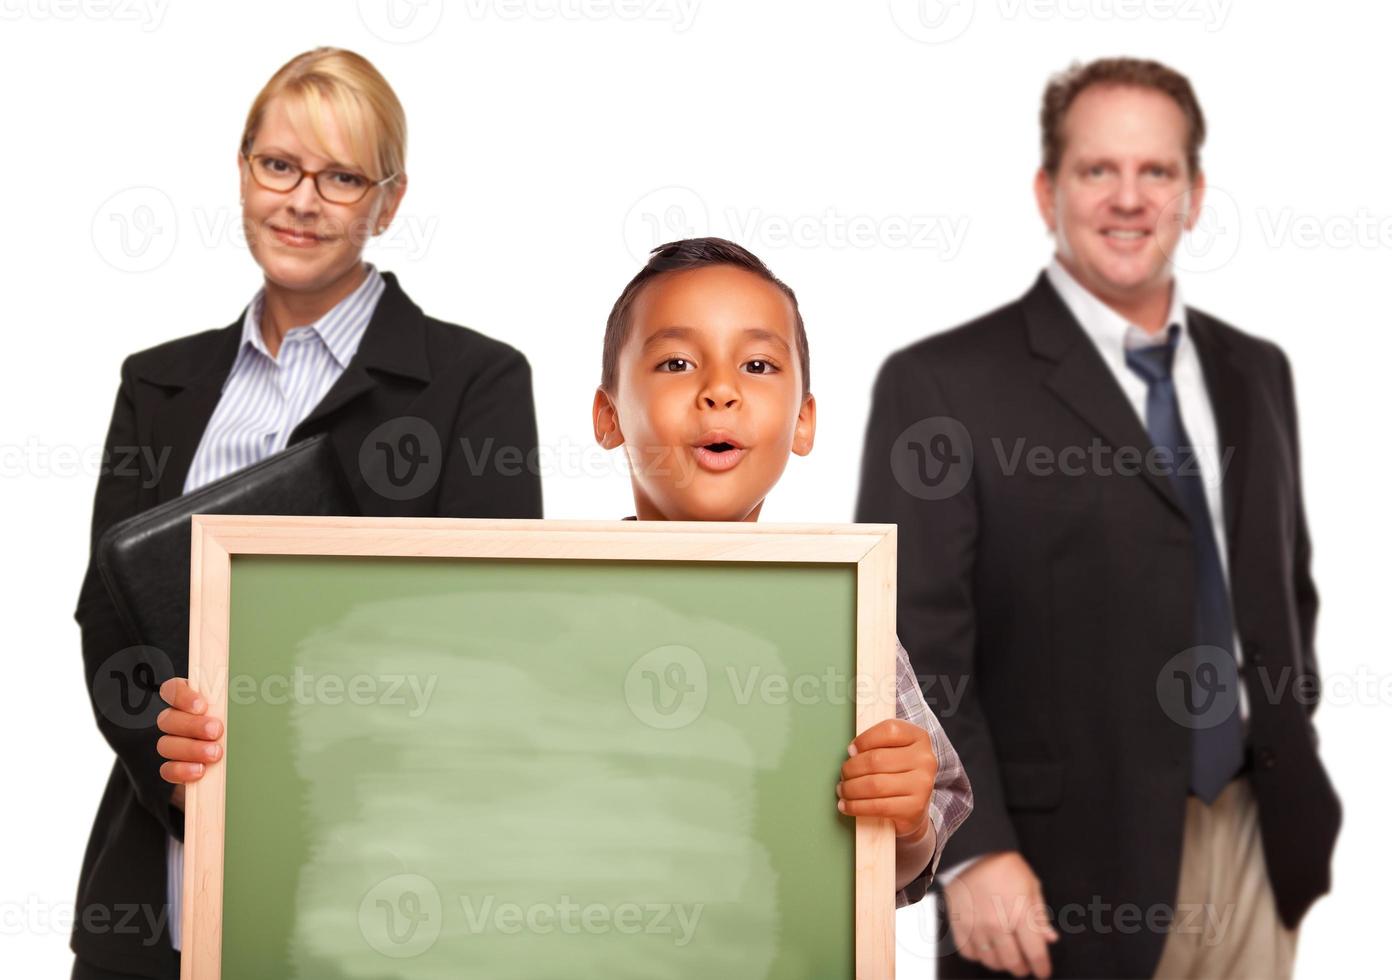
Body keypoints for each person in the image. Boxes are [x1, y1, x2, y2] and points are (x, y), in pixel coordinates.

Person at [158, 235, 975, 914]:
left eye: (757, 368)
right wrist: (232, 745)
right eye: (677, 365)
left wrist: (903, 821)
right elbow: (383, 778)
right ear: (608, 415)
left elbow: (905, 849)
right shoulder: (525, 609)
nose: (720, 393)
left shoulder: (847, 621)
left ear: (803, 422)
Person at [856, 58, 1340, 978]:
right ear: (1047, 191)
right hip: (1051, 872)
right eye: (1097, 170)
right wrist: (971, 847)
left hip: (1253, 845)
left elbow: (1286, 592)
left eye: (1157, 172)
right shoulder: (943, 385)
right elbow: (912, 641)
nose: (1129, 198)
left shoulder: (1257, 373)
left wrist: (1294, 752)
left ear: (1194, 196)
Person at [73, 47, 542, 979]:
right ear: (243, 169)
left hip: (376, 883)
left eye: (341, 177)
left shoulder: (473, 382)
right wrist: (186, 780)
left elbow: (498, 637)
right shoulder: (156, 383)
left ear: (389, 202)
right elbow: (107, 616)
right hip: (158, 879)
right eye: (278, 165)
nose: (301, 200)